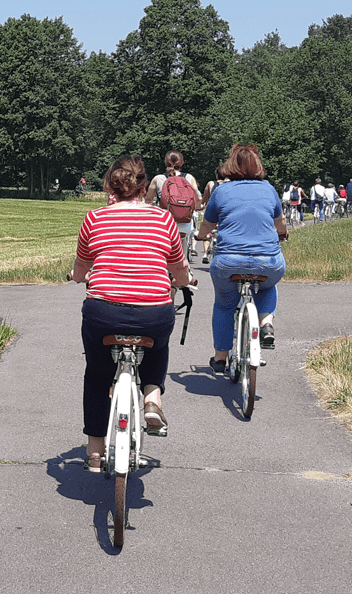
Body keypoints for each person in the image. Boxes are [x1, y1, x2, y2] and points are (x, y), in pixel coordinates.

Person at [71, 155, 192, 472]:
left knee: (97, 375)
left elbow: (82, 267)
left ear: (111, 186)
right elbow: (178, 268)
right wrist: (186, 281)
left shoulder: (94, 219)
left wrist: (77, 276)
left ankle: (95, 451)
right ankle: (152, 398)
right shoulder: (164, 221)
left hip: (103, 312)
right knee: (158, 345)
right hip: (153, 313)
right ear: (143, 187)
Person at [193, 143, 287, 373]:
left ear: (230, 166)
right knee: (267, 285)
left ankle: (220, 358)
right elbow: (280, 222)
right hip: (268, 260)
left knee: (225, 305)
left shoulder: (221, 191)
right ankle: (266, 324)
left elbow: (207, 224)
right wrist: (282, 234)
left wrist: (201, 235)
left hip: (228, 261)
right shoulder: (268, 189)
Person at [146, 150, 203, 260]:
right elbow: (198, 198)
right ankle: (184, 271)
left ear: (165, 162)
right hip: (184, 223)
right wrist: (197, 207)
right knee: (182, 257)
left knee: (160, 253)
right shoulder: (189, 178)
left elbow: (148, 200)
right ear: (182, 163)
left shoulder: (158, 179)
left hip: (164, 223)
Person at [201, 168, 227, 263]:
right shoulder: (230, 185)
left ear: (217, 175)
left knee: (208, 232)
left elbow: (205, 197)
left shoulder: (210, 184)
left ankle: (205, 253)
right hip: (224, 214)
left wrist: (202, 203)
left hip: (211, 211)